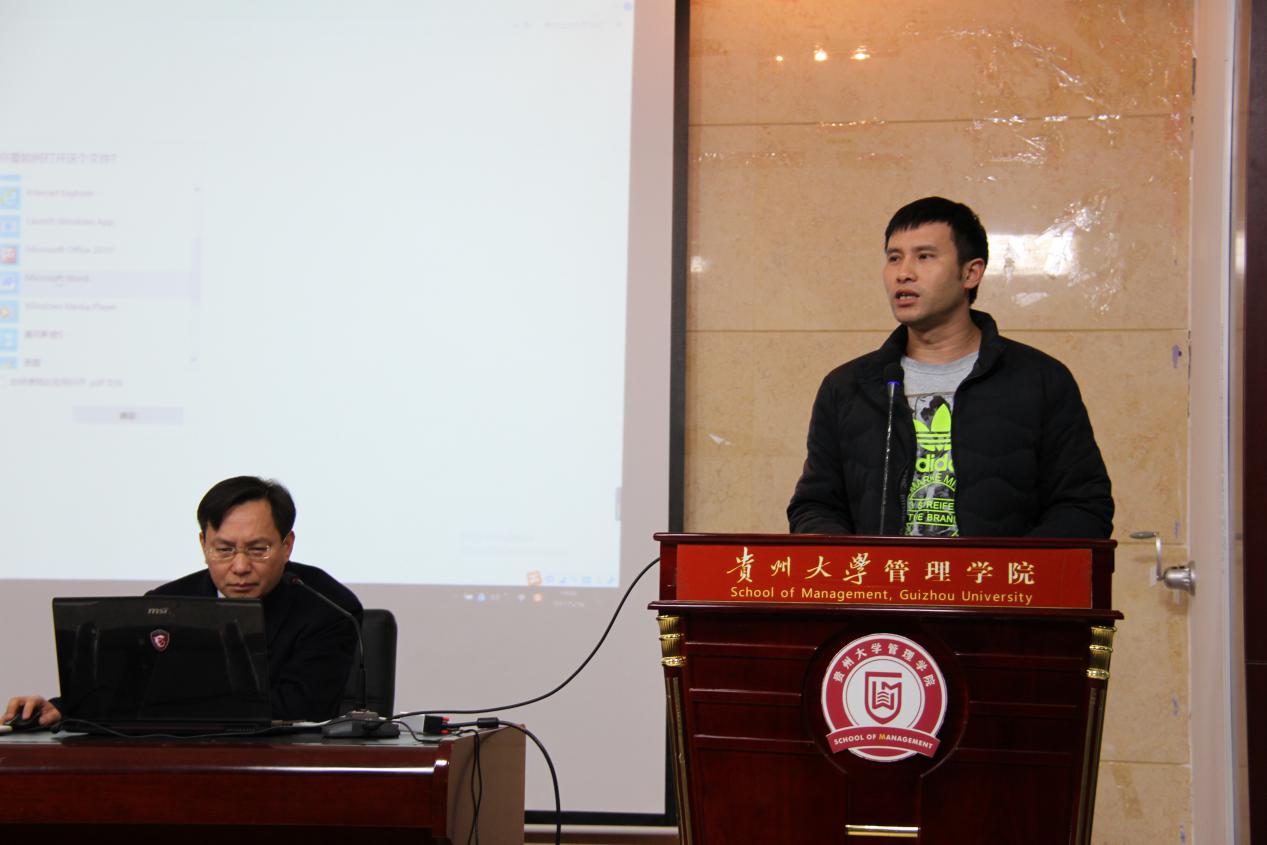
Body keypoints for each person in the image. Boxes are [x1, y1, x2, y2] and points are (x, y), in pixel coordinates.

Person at [787, 196, 1113, 538]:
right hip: (883, 574)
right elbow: (815, 506)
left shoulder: (1040, 380)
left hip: (995, 575)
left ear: (970, 273)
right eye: (894, 257)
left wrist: (1010, 567)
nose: (903, 273)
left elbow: (1083, 506)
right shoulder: (849, 386)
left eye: (924, 256)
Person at [4, 476, 362, 727]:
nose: (240, 566)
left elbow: (302, 707)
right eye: (224, 549)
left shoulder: (328, 608)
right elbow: (124, 692)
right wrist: (60, 708)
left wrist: (173, 703)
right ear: (203, 544)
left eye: (258, 549)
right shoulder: (165, 603)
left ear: (287, 545)